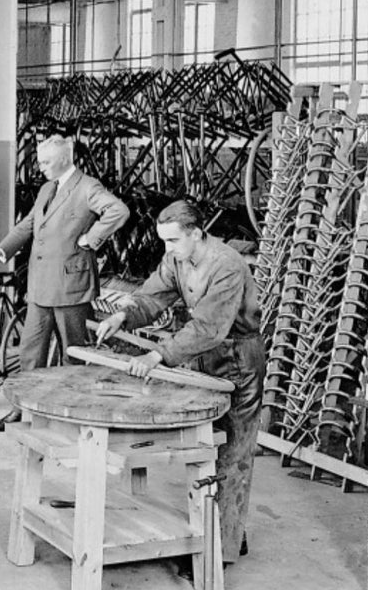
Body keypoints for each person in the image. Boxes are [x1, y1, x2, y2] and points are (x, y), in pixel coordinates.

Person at [94, 200, 266, 564]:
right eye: (164, 241)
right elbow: (151, 296)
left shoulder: (226, 265)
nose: (167, 249)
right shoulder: (177, 258)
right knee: (207, 449)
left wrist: (157, 356)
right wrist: (122, 315)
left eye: (172, 241)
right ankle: (227, 530)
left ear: (197, 234)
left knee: (232, 454)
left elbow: (208, 327)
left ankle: (217, 556)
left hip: (238, 360)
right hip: (203, 358)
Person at [0, 134, 129, 432]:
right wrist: (0, 250)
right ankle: (22, 411)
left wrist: (90, 239)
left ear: (62, 160)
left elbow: (118, 210)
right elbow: (29, 224)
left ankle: (72, 417)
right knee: (30, 353)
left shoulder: (87, 186)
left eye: (45, 161)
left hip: (71, 288)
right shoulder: (47, 188)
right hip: (40, 287)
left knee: (74, 354)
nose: (40, 166)